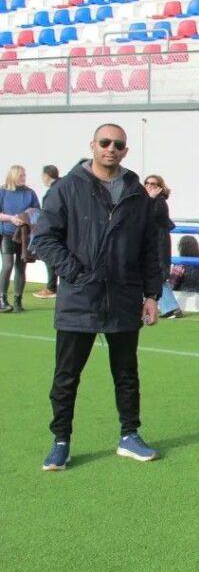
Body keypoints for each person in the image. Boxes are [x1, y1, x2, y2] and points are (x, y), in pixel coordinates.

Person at [34, 124, 162, 470]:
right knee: (66, 376)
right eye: (105, 142)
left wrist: (152, 294)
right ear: (92, 145)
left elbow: (150, 248)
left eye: (118, 144)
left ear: (125, 150)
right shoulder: (66, 188)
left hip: (123, 298)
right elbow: (43, 238)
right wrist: (75, 273)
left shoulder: (136, 192)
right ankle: (61, 441)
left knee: (126, 373)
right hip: (80, 298)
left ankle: (129, 435)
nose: (111, 149)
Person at [0, 165, 40, 313]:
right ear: (14, 176)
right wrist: (11, 218)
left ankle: (18, 299)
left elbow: (37, 211)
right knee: (7, 264)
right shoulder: (3, 192)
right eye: (21, 175)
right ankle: (2, 298)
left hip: (25, 234)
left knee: (21, 266)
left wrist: (27, 216)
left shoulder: (30, 193)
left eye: (25, 175)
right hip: (7, 233)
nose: (24, 178)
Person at [143, 174, 182, 320]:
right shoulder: (148, 201)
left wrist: (150, 199)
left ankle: (170, 308)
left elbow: (149, 217)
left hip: (158, 245)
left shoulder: (159, 202)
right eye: (147, 183)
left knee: (158, 276)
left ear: (160, 187)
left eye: (154, 184)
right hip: (152, 244)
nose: (149, 186)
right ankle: (169, 307)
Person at [33, 165, 60, 299]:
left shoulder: (53, 192)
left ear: (46, 176)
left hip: (55, 232)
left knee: (50, 256)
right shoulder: (63, 186)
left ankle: (51, 287)